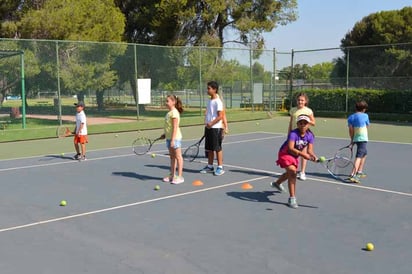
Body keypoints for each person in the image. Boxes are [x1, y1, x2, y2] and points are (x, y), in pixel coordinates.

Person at [271, 114, 318, 209]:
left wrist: (314, 157)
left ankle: (277, 183)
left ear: (308, 124)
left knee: (290, 172)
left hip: (295, 156)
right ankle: (292, 198)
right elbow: (290, 148)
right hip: (285, 153)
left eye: (305, 123)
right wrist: (303, 155)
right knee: (293, 172)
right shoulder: (293, 134)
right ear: (297, 124)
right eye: (300, 123)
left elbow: (309, 151)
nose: (303, 125)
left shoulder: (310, 136)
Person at [288, 92, 316, 181]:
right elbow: (291, 122)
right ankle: (293, 170)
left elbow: (313, 123)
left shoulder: (308, 111)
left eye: (302, 100)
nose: (300, 102)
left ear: (305, 101)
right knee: (293, 152)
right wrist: (289, 133)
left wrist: (305, 120)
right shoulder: (293, 110)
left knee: (304, 153)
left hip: (303, 134)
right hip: (294, 134)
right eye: (299, 100)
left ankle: (302, 172)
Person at [200, 81, 225, 176]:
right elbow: (209, 113)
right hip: (209, 128)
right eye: (207, 88)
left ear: (214, 90)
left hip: (216, 128)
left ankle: (220, 167)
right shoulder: (209, 101)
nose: (207, 90)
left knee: (217, 148)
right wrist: (206, 122)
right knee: (210, 148)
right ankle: (210, 166)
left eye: (209, 88)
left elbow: (220, 116)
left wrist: (211, 123)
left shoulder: (218, 102)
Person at [161, 94, 184, 184]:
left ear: (173, 102)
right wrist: (165, 134)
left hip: (175, 138)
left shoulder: (174, 113)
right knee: (172, 157)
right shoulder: (169, 113)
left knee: (178, 157)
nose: (166, 103)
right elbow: (169, 127)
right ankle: (172, 175)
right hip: (169, 137)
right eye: (166, 101)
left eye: (168, 101)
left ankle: (180, 176)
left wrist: (173, 140)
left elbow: (175, 127)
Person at [347, 100, 369, 183]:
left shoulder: (351, 117)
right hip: (363, 139)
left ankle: (359, 171)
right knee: (359, 156)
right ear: (363, 109)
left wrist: (352, 140)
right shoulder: (365, 116)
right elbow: (367, 126)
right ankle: (353, 174)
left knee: (364, 153)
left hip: (356, 138)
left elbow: (351, 130)